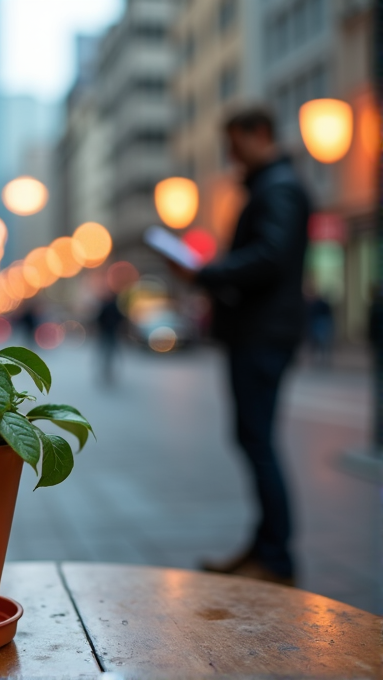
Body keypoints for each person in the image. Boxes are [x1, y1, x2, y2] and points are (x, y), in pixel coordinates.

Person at [174, 107, 310, 586]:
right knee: (254, 440)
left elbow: (269, 258)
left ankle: (275, 556)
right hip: (258, 332)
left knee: (258, 441)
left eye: (234, 145)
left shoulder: (280, 189)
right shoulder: (274, 188)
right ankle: (266, 548)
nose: (231, 157)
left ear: (260, 134)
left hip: (262, 335)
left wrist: (206, 273)